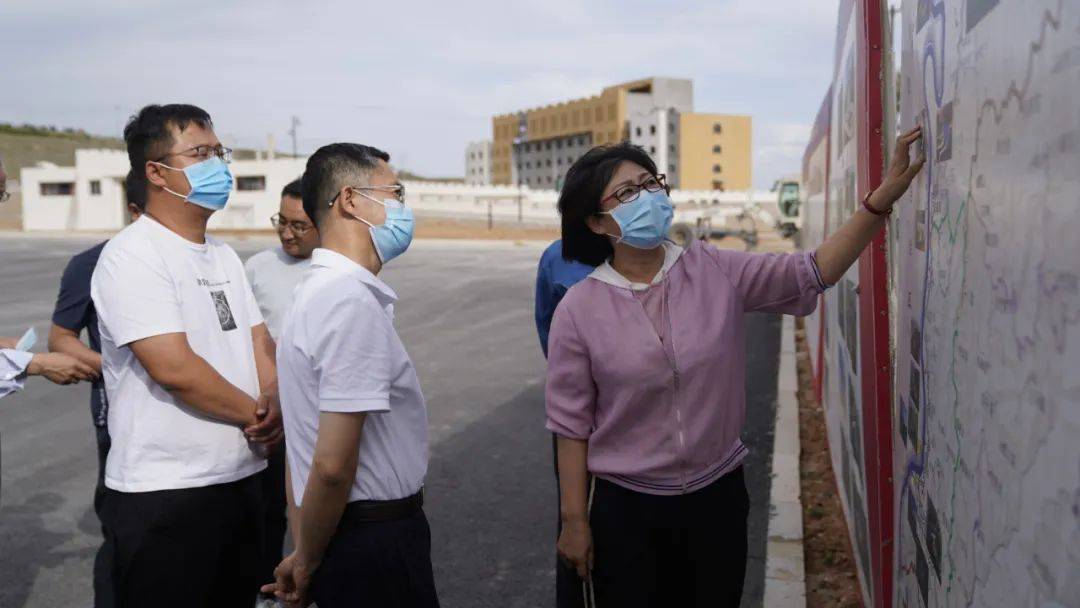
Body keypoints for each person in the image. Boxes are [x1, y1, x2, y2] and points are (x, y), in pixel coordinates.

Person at [546, 129, 924, 607]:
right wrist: (575, 522)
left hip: (716, 501)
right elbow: (570, 426)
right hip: (627, 509)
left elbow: (812, 272)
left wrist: (878, 204)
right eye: (626, 192)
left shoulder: (713, 269)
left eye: (651, 183)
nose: (647, 197)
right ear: (598, 224)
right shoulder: (579, 309)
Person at [90, 103, 283, 607]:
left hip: (242, 478)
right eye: (201, 153)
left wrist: (276, 396)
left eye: (220, 152)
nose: (219, 165)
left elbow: (260, 342)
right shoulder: (133, 254)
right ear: (156, 171)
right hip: (167, 495)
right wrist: (262, 414)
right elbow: (175, 368)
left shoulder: (221, 255)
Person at [262, 143, 438, 608]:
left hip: (346, 535)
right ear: (350, 200)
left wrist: (304, 548)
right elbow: (333, 465)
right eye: (394, 192)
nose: (403, 207)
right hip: (371, 540)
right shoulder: (348, 302)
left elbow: (301, 448)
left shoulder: (316, 292)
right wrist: (307, 560)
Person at [48, 169, 144, 608]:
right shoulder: (92, 262)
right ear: (133, 209)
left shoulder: (211, 260)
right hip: (120, 417)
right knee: (124, 530)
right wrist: (116, 367)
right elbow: (61, 339)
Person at [244, 176, 319, 608]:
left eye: (299, 225)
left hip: (321, 416)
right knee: (267, 511)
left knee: (319, 514)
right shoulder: (256, 268)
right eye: (281, 221)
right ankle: (267, 592)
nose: (288, 233)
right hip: (271, 414)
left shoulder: (339, 269)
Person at [534, 240, 595, 608]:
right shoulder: (557, 258)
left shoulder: (657, 254)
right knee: (576, 528)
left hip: (646, 423)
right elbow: (549, 332)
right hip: (579, 422)